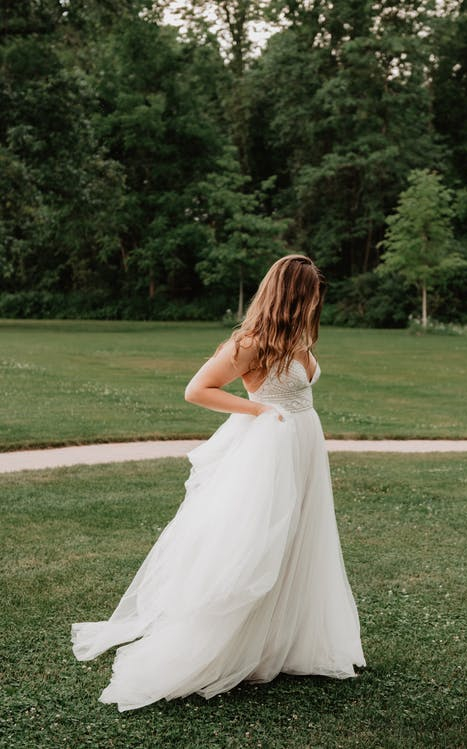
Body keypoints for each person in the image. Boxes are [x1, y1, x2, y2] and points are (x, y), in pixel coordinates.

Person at [71, 254, 366, 712]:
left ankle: (286, 640)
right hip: (271, 448)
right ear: (292, 295)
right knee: (256, 544)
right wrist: (261, 410)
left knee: (299, 539)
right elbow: (197, 389)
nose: (315, 302)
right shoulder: (251, 342)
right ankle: (235, 643)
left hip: (305, 446)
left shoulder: (300, 338)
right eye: (310, 294)